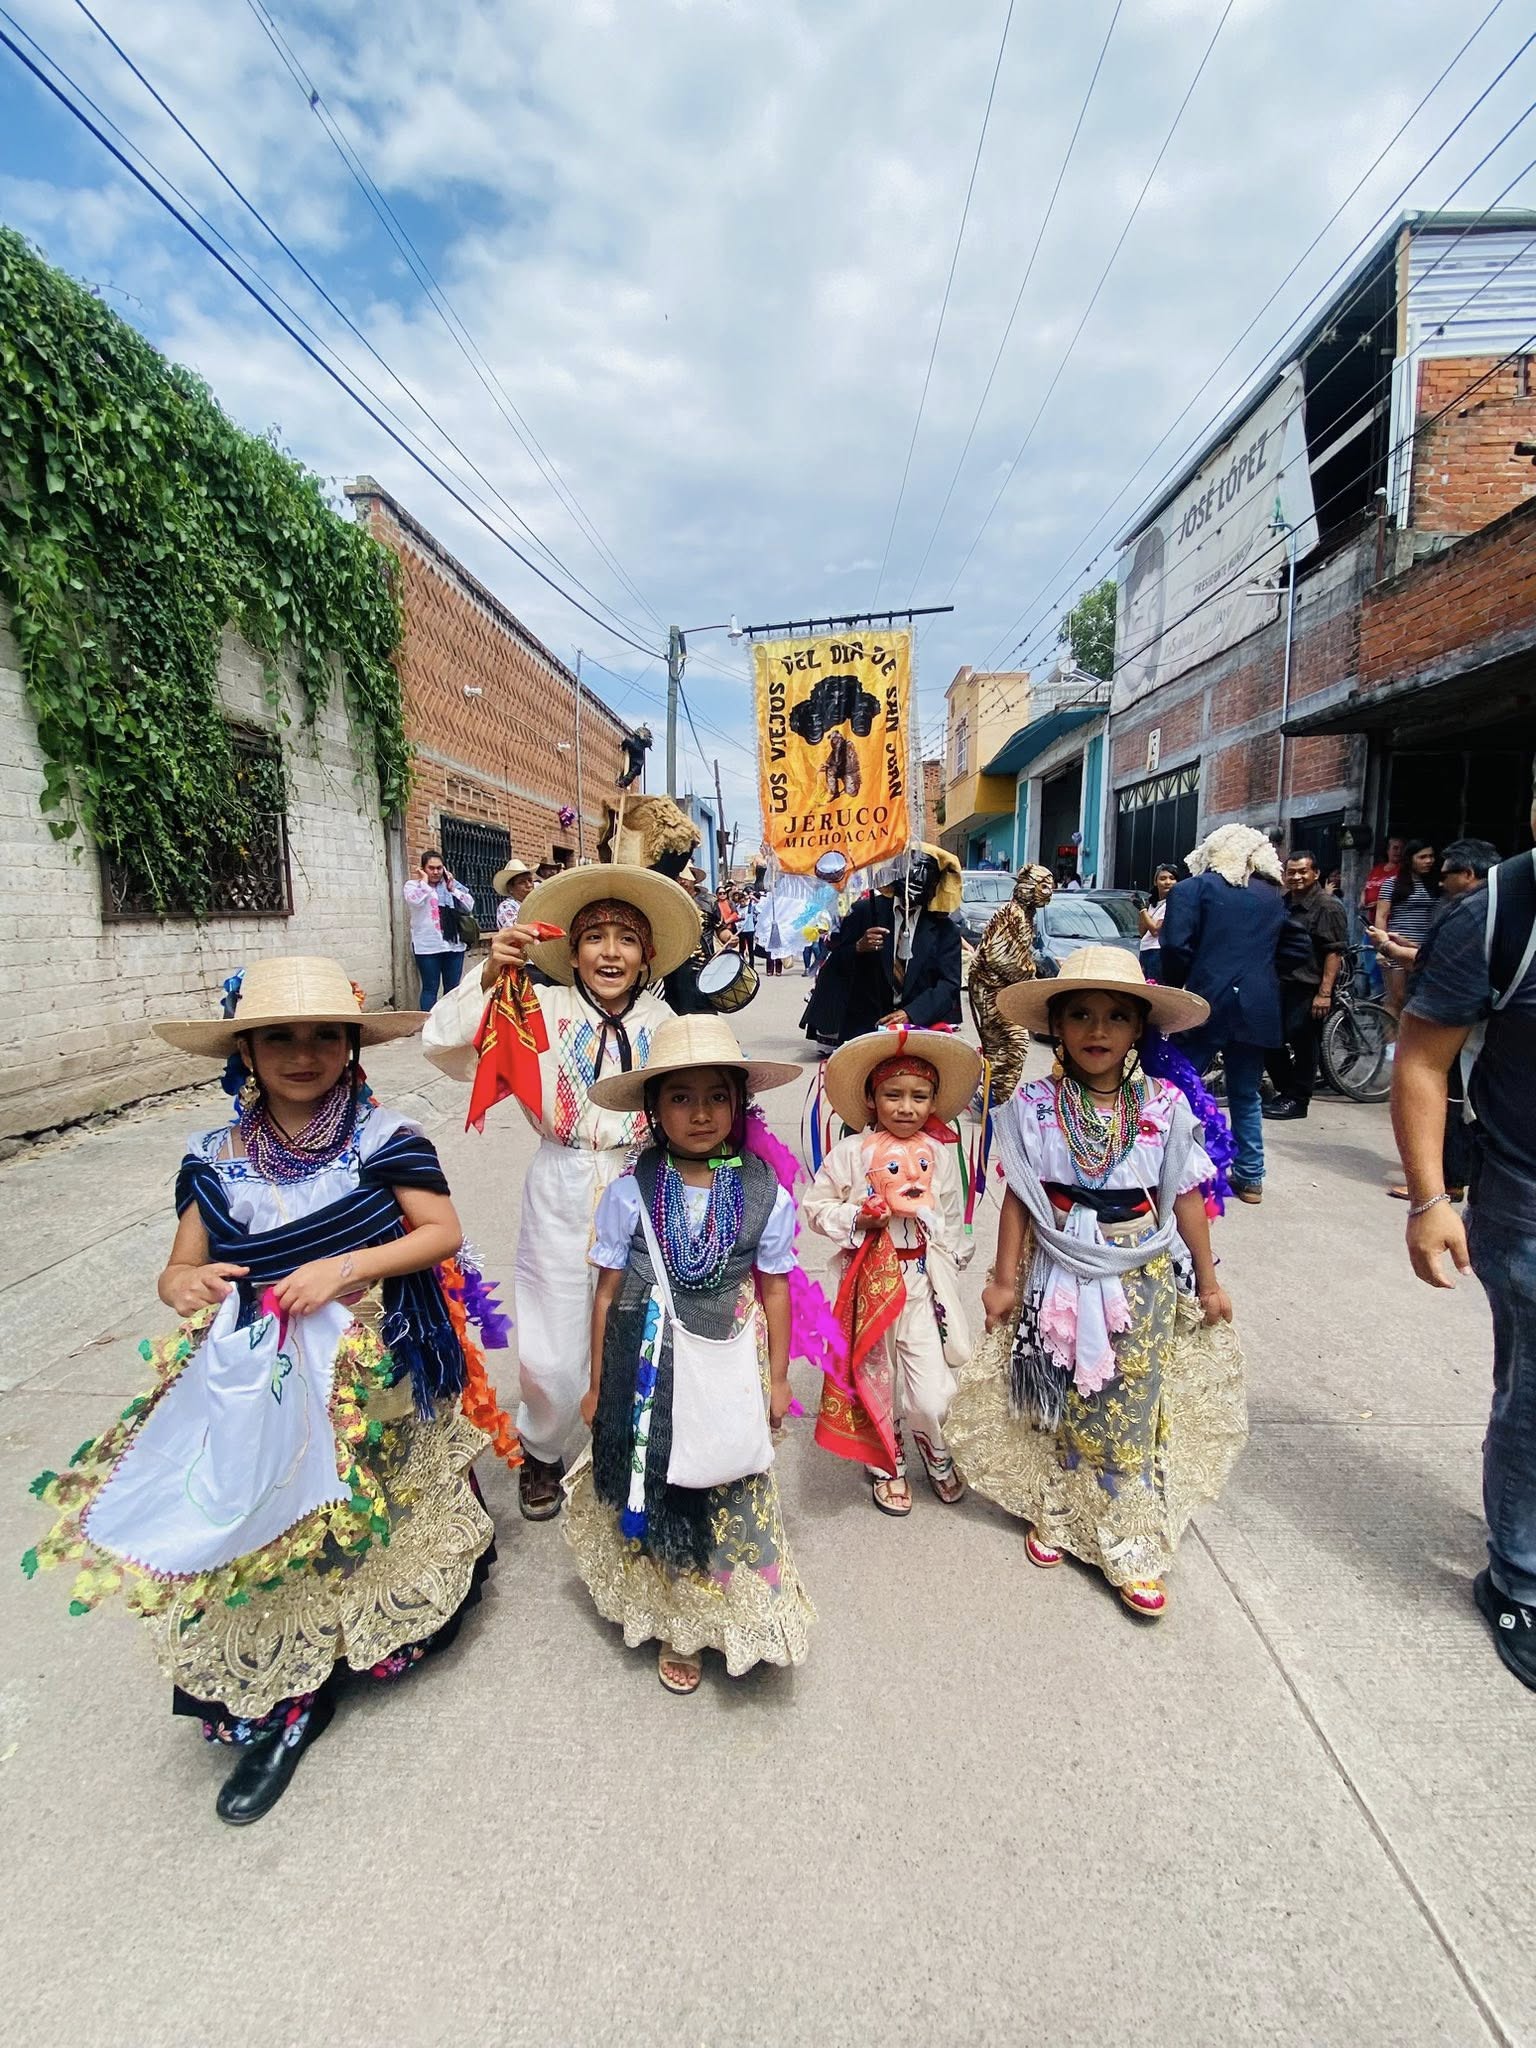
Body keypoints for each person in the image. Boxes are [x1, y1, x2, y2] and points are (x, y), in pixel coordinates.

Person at [24, 957, 508, 1824]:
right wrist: (184, 1285)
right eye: (278, 1037)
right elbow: (179, 1267)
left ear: (351, 1046)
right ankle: (286, 1696)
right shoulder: (215, 1159)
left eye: (324, 1036)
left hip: (370, 1369)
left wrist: (342, 1268)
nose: (302, 1054)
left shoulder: (385, 1137)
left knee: (360, 1514)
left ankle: (346, 1651)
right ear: (243, 1051)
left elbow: (440, 1231)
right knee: (270, 1519)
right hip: (259, 1378)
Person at [946, 947, 1245, 1618]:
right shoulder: (1034, 1105)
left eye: (1116, 1017)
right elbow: (1022, 1198)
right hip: (1054, 1268)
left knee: (1129, 1404)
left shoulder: (1164, 1105)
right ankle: (1058, 1509)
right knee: (1055, 1397)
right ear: (1057, 1025)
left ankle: (1129, 1540)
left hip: (1139, 1274)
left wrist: (1207, 1281)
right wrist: (1002, 1280)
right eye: (1080, 1015)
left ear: (1139, 1028)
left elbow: (1186, 1196)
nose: (1098, 1030)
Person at [565, 1015, 813, 1694]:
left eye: (716, 1097)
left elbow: (776, 1287)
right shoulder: (629, 1191)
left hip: (726, 1358)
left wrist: (779, 1378)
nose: (701, 1114)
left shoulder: (764, 1192)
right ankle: (678, 1618)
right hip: (648, 1362)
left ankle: (732, 1608)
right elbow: (606, 1291)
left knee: (726, 1479)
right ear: (653, 1109)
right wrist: (598, 1386)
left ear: (739, 1104)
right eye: (680, 1097)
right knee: (663, 1481)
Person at [475, 866, 699, 1519]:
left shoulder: (663, 1021)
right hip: (561, 1180)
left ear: (647, 956)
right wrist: (491, 976)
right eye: (594, 938)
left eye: (626, 939)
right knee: (553, 1337)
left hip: (642, 1178)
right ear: (570, 953)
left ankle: (626, 1444)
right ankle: (542, 1448)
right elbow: (451, 1044)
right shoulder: (539, 1008)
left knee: (639, 1320)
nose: (610, 952)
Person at [1391, 802, 1536, 1695]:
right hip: (1524, 1195)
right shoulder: (1497, 915)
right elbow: (1421, 1059)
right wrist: (1430, 1198)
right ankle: (1520, 1578)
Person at [804, 1030, 981, 1513]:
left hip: (920, 1283)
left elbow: (952, 1218)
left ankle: (933, 1444)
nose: (906, 1107)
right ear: (871, 1098)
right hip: (868, 1285)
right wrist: (856, 1217)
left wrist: (948, 1264)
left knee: (932, 1392)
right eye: (893, 1095)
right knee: (874, 1375)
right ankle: (888, 1460)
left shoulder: (939, 1154)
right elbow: (815, 1207)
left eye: (919, 1097)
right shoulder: (851, 1153)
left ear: (933, 1102)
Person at [1159, 824, 1312, 1205]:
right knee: (1246, 1093)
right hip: (1255, 1008)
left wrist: (1179, 988)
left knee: (1178, 1088)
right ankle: (1250, 1175)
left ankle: (1174, 1168)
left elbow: (1175, 946)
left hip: (1204, 1002)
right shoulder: (1270, 895)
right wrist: (1262, 975)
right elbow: (1299, 947)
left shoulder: (1191, 889)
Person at [1380, 839, 1500, 1204]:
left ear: (1468, 874)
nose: (1441, 879)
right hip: (1478, 1024)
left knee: (1447, 1097)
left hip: (1463, 1024)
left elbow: (1439, 966)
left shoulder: (1475, 911)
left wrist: (1395, 951)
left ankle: (1442, 1184)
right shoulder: (1496, 905)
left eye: (1446, 872)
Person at [801, 844, 963, 1048]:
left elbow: (948, 985)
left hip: (919, 1031)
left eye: (926, 873)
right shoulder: (864, 913)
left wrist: (911, 1014)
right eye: (912, 870)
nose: (918, 879)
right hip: (864, 1029)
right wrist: (858, 947)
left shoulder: (945, 929)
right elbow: (835, 964)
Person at [1262, 850, 1349, 1122]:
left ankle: (1298, 1100)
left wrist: (1324, 993)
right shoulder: (1284, 903)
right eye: (1291, 872)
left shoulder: (1327, 906)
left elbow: (1334, 951)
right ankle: (1286, 1092)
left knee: (1303, 1043)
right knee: (1270, 1040)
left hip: (1309, 987)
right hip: (1281, 984)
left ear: (1316, 873)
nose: (1297, 877)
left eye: (1303, 871)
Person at [967, 863, 1055, 1104]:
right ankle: (993, 1099)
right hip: (991, 987)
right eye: (1043, 886)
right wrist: (1028, 973)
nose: (1049, 892)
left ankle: (992, 1097)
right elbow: (999, 957)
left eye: (1051, 887)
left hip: (1000, 988)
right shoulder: (1012, 914)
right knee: (1013, 1042)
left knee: (1003, 1046)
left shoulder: (1024, 915)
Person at [1373, 839, 1440, 1016]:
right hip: (1396, 945)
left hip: (1421, 947)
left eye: (1431, 856)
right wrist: (1381, 948)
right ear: (1410, 859)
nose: (1428, 861)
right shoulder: (1392, 883)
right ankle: (1390, 1034)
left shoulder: (1434, 885)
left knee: (1418, 999)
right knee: (1396, 997)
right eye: (1422, 857)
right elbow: (1381, 916)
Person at [404, 849, 474, 1008]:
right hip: (428, 946)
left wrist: (452, 889)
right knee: (430, 988)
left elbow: (469, 905)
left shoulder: (452, 886)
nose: (436, 872)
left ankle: (449, 1021)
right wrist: (424, 882)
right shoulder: (413, 886)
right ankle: (429, 1022)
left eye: (439, 868)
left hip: (454, 945)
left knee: (453, 989)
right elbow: (414, 901)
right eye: (431, 868)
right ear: (423, 868)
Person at [1137, 864, 1180, 981]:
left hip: (1159, 951)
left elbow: (1156, 931)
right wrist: (1143, 910)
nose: (1167, 882)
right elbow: (1142, 932)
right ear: (1155, 882)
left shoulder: (1174, 903)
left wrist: (1142, 910)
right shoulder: (1152, 904)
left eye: (1172, 878)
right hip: (1145, 950)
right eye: (1162, 878)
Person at [493, 856, 537, 929]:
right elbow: (518, 930)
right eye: (522, 882)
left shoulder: (536, 903)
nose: (529, 885)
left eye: (530, 880)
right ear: (510, 888)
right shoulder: (507, 906)